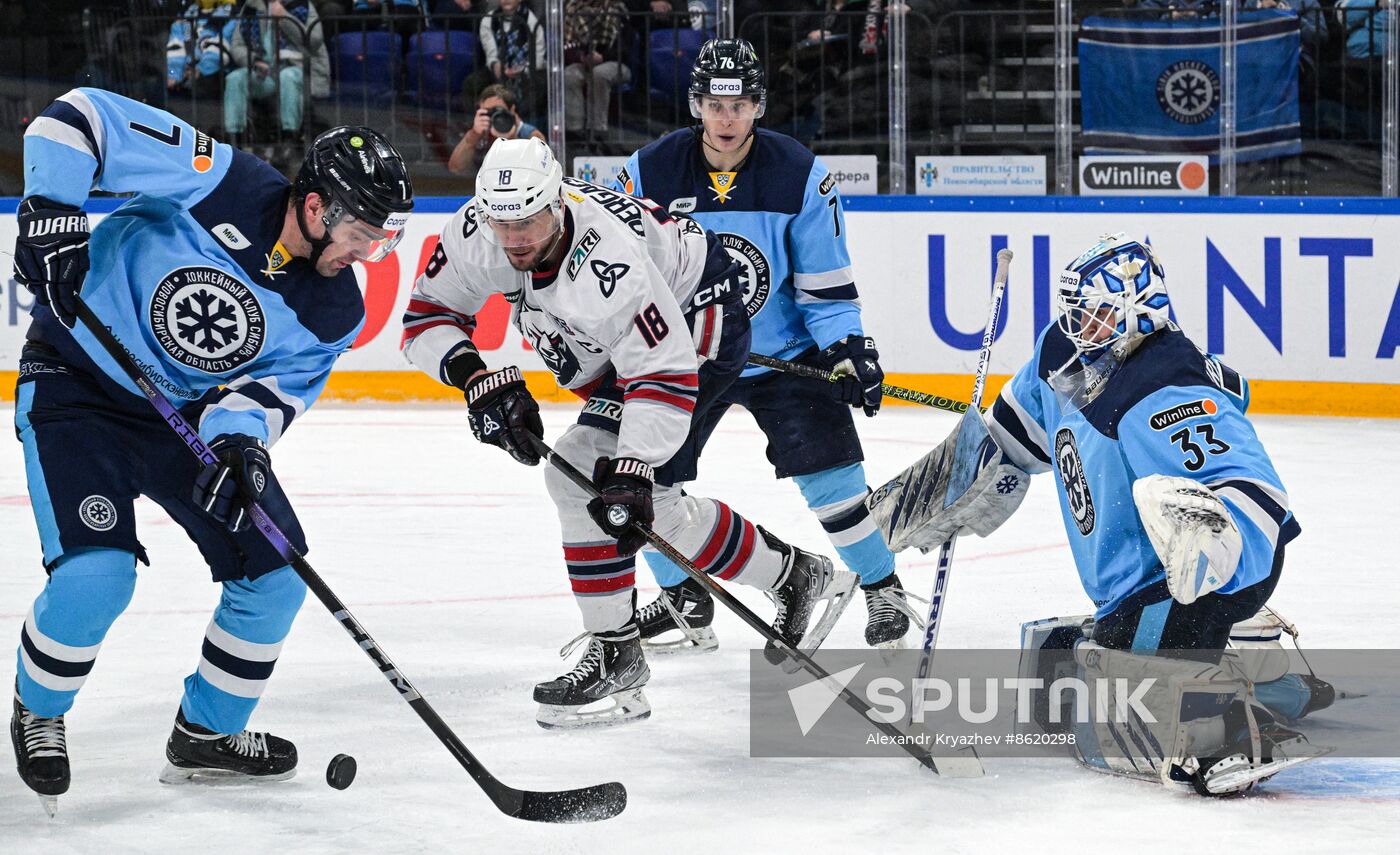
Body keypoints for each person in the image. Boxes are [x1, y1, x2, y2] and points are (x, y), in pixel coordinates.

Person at [9, 87, 413, 814]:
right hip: (75, 385)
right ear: (318, 208)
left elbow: (270, 393)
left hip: (181, 417)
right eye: (365, 234)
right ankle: (39, 707)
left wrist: (240, 447)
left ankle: (206, 733)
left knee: (276, 570)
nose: (370, 253)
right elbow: (75, 119)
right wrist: (51, 209)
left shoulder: (335, 308)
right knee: (98, 576)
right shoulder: (219, 178)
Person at [400, 137, 855, 729]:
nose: (513, 240)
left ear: (558, 204)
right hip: (618, 348)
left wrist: (636, 465)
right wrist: (478, 379)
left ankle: (619, 653)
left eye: (529, 222)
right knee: (630, 499)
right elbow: (427, 316)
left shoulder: (606, 263)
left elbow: (661, 370)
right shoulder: (475, 232)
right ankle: (795, 575)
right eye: (500, 222)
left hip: (696, 319)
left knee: (598, 482)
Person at [958, 233, 1332, 793]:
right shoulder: (1062, 351)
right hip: (1136, 585)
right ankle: (1272, 680)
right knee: (1054, 681)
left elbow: (1251, 490)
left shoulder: (1165, 385)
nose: (1082, 330)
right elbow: (1013, 438)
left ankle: (1242, 725)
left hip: (1201, 582)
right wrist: (961, 471)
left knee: (1117, 704)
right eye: (1077, 315)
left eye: (1100, 316)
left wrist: (1218, 553)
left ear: (1143, 311)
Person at [613, 39, 911, 653]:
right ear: (696, 105)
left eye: (740, 104)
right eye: (715, 104)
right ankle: (684, 596)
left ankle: (882, 585)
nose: (727, 119)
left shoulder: (800, 173)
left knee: (833, 477)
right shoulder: (647, 172)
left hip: (784, 353)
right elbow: (622, 273)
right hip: (684, 356)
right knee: (639, 479)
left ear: (758, 106)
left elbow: (826, 292)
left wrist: (847, 349)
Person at [224, 1, 331, 148]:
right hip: (264, 73)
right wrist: (255, 61)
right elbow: (237, 45)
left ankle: (289, 138)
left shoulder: (302, 5)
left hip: (298, 68)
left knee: (288, 76)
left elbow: (314, 40)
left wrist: (285, 17)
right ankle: (235, 138)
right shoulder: (251, 7)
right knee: (235, 78)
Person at [446, 84, 547, 188]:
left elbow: (538, 174)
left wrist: (511, 141)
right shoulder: (479, 132)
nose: (495, 117)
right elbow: (455, 168)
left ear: (512, 110)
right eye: (488, 112)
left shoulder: (531, 136)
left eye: (498, 111)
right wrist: (473, 135)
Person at [564, 0, 633, 137]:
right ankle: (575, 130)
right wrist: (582, 57)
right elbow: (572, 44)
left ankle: (598, 131)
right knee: (570, 74)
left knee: (599, 73)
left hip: (617, 63)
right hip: (588, 63)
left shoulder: (618, 11)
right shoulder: (575, 11)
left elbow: (626, 47)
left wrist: (603, 57)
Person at [166, 0, 239, 98]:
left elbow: (220, 46)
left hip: (214, 74)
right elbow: (176, 46)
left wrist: (200, 70)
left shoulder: (232, 14)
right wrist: (174, 75)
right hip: (186, 75)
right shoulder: (187, 13)